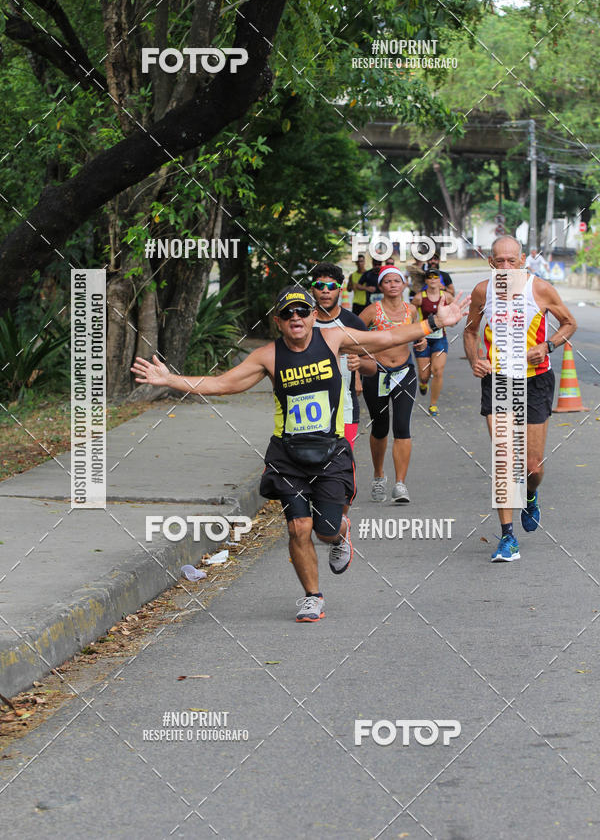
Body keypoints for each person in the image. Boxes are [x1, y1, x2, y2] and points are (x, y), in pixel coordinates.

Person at [132, 284, 470, 620]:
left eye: (302, 311)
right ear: (278, 321)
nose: (296, 317)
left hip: (331, 452)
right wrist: (170, 380)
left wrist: (432, 324)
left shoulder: (333, 338)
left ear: (312, 317)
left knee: (326, 530)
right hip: (287, 455)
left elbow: (384, 340)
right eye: (288, 313)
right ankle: (313, 597)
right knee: (298, 527)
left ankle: (340, 534)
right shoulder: (268, 356)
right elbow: (223, 383)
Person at [463, 235, 576, 563]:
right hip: (497, 382)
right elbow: (470, 331)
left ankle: (529, 494)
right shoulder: (483, 292)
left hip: (535, 381)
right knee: (504, 461)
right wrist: (475, 361)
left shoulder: (539, 289)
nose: (507, 267)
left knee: (531, 466)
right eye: (501, 261)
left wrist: (549, 345)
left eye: (513, 260)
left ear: (523, 259)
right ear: (491, 261)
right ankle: (508, 537)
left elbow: (569, 323)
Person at [359, 266, 425, 503]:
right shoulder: (371, 312)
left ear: (404, 284)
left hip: (404, 372)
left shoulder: (412, 311)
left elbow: (418, 335)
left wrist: (421, 341)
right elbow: (353, 339)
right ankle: (378, 476)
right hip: (377, 374)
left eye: (397, 280)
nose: (393, 284)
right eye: (388, 281)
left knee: (402, 427)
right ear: (381, 286)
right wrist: (364, 361)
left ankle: (400, 484)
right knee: (379, 427)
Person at [310, 263, 376, 456]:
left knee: (343, 466)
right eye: (319, 286)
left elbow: (372, 367)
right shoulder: (303, 321)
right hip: (307, 410)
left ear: (340, 288)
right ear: (312, 289)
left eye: (331, 287)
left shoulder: (353, 323)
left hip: (344, 408)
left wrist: (359, 365)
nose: (325, 291)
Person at [412, 269, 454, 417]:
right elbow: (412, 315)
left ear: (440, 280)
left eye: (435, 277)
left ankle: (433, 405)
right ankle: (423, 383)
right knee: (424, 375)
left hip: (439, 339)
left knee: (438, 371)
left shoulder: (447, 296)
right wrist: (418, 331)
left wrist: (452, 321)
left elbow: (454, 312)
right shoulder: (419, 298)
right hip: (422, 339)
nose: (432, 279)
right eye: (429, 277)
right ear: (426, 281)